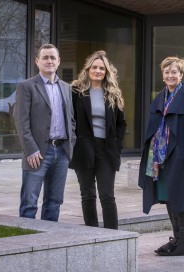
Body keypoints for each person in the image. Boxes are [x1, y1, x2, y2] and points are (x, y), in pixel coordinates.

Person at [138, 56, 184, 256]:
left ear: (181, 74)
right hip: (159, 157)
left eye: (174, 72)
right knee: (167, 195)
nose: (170, 75)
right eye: (166, 72)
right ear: (163, 75)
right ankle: (176, 239)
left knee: (179, 196)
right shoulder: (160, 97)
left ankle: (183, 243)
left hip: (179, 155)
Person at [14, 43, 76, 222]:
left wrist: (70, 144)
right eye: (45, 57)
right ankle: (25, 242)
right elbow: (21, 121)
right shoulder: (26, 86)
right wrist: (31, 149)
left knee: (54, 201)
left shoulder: (66, 87)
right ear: (37, 61)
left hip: (61, 152)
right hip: (38, 153)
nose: (49, 61)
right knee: (29, 202)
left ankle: (49, 240)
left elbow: (71, 119)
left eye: (53, 58)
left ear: (58, 62)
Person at [69, 50, 126, 230]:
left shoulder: (112, 94)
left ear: (106, 72)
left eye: (102, 68)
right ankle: (91, 233)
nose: (98, 71)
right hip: (83, 148)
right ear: (88, 69)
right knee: (87, 195)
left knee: (107, 195)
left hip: (106, 150)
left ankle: (113, 236)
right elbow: (69, 119)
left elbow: (121, 123)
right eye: (95, 67)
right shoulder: (76, 91)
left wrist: (116, 145)